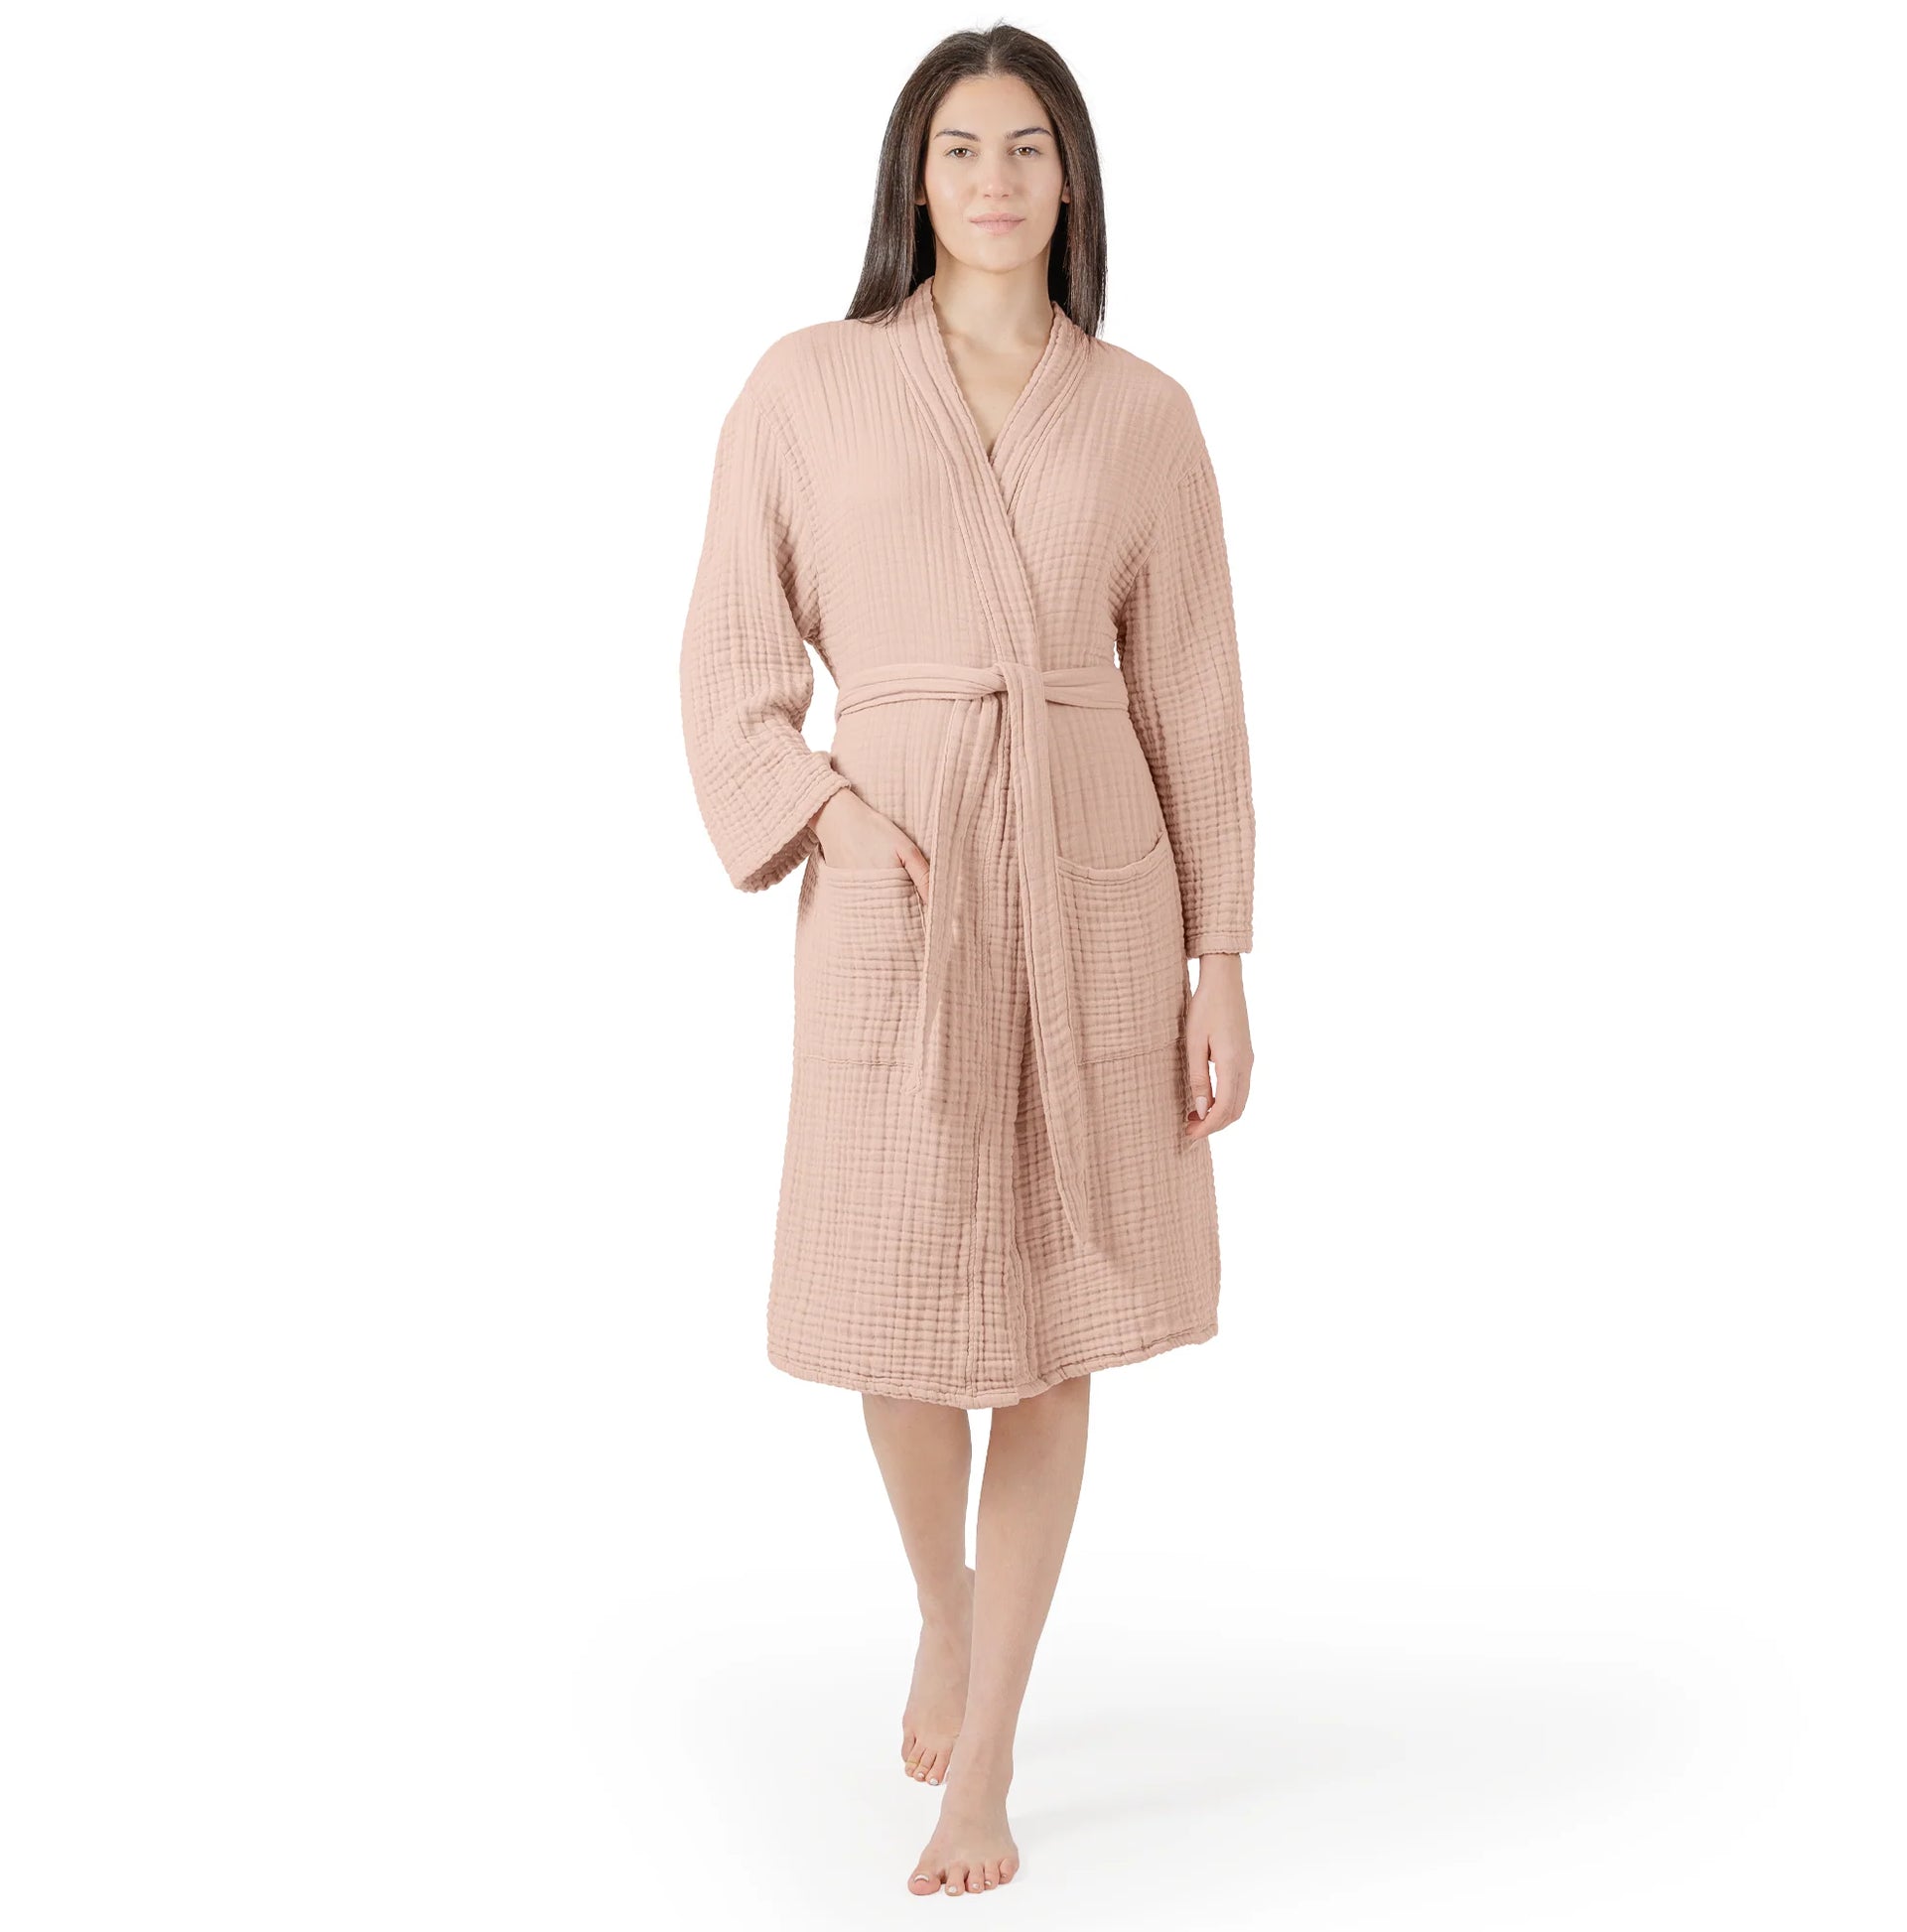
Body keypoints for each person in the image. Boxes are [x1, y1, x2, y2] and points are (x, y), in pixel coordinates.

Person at [678, 24, 1257, 1898]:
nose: (993, 179)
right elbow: (728, 656)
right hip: (902, 880)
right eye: (958, 148)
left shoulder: (1144, 414)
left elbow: (1193, 697)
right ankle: (943, 1599)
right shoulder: (807, 385)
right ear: (910, 180)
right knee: (901, 1313)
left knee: (1059, 1321)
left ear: (1069, 176)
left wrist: (1219, 959)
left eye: (1025, 145)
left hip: (1093, 886)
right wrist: (827, 816)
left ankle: (987, 1748)